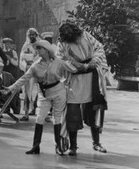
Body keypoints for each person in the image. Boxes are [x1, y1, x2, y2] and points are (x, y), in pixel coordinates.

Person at [6, 40, 77, 155]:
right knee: (40, 118)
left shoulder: (58, 62)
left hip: (58, 91)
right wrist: (11, 88)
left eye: (40, 48)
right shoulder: (35, 65)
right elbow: (25, 78)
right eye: (37, 48)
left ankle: (58, 146)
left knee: (57, 117)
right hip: (43, 93)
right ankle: (36, 146)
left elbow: (73, 70)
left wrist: (71, 81)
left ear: (46, 50)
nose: (38, 51)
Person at [56, 21, 109, 156]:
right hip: (74, 81)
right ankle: (73, 146)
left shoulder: (85, 35)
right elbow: (61, 60)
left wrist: (94, 61)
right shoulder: (62, 43)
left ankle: (96, 143)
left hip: (91, 80)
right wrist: (78, 66)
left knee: (93, 111)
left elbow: (99, 48)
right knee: (72, 113)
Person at [19, 28, 40, 121]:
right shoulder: (26, 45)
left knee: (41, 91)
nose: (31, 36)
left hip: (38, 70)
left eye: (33, 34)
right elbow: (22, 57)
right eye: (30, 35)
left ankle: (44, 113)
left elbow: (39, 57)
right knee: (27, 92)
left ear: (36, 35)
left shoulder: (39, 45)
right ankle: (26, 113)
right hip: (28, 70)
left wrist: (30, 58)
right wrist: (26, 63)